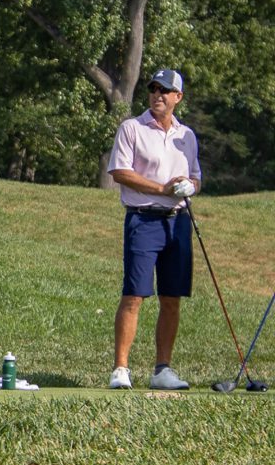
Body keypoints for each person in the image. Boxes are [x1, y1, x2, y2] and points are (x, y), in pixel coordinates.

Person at [106, 69, 200, 390]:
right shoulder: (132, 128)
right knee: (134, 295)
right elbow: (120, 172)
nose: (158, 95)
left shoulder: (186, 136)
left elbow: (196, 177)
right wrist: (162, 189)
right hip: (142, 219)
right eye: (154, 89)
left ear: (178, 98)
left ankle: (162, 370)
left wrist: (188, 186)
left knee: (171, 298)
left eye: (165, 90)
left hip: (178, 222)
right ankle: (121, 368)